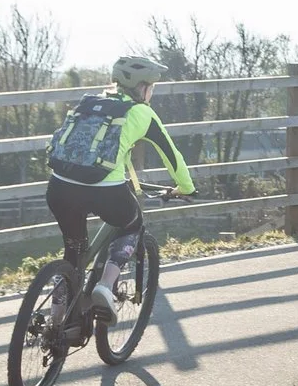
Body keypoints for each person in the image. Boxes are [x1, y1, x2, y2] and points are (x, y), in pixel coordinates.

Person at [45, 54, 196, 319]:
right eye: (152, 88)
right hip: (104, 189)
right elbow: (172, 156)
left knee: (74, 249)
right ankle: (105, 284)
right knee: (132, 224)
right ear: (144, 88)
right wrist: (185, 187)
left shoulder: (90, 102)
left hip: (59, 185)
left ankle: (56, 318)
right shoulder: (142, 113)